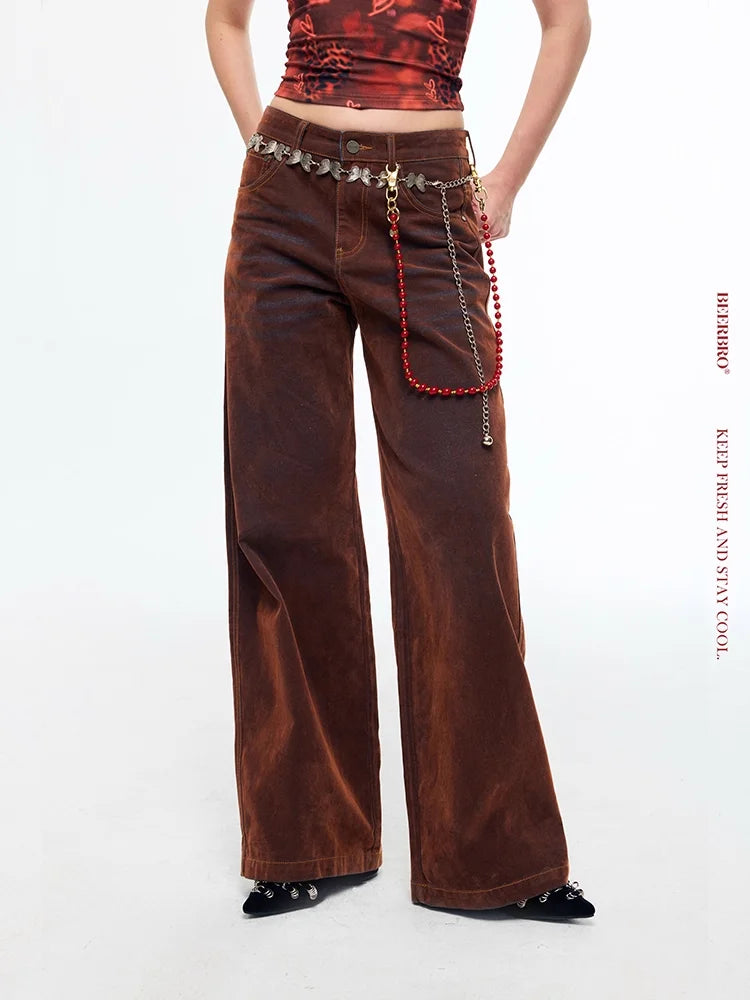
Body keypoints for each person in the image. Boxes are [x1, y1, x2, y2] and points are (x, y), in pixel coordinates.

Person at [205, 0, 594, 920]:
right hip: (282, 206)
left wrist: (507, 181)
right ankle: (309, 836)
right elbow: (225, 21)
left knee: (461, 517)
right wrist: (263, 150)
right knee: (285, 516)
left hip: (427, 206)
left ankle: (493, 854)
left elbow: (568, 23)